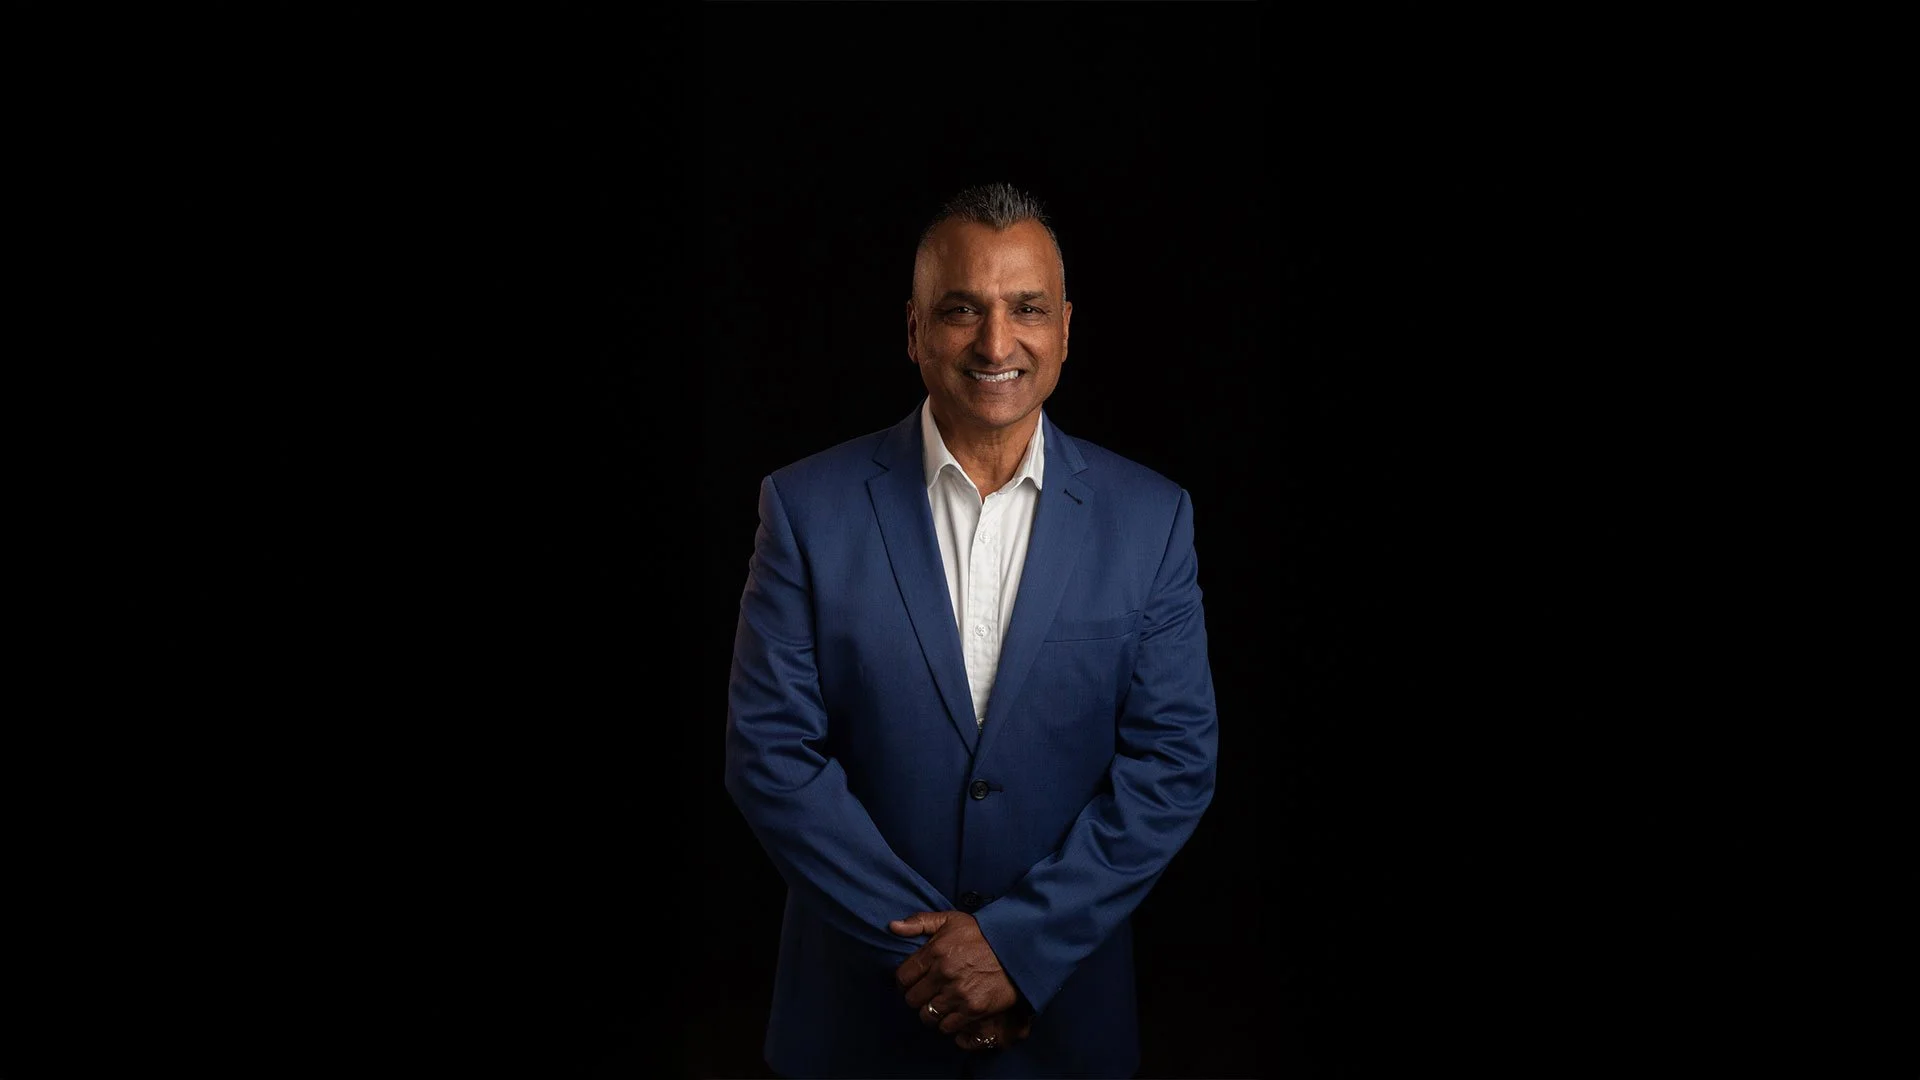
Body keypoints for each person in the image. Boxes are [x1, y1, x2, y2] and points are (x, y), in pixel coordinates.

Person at [723, 181, 1219, 1078]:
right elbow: (769, 757)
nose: (997, 342)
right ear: (914, 331)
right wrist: (938, 966)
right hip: (854, 1023)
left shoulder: (1153, 519)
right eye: (961, 310)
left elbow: (1174, 762)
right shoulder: (803, 509)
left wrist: (1017, 951)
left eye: (1025, 308)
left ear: (1065, 328)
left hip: (1062, 1021)